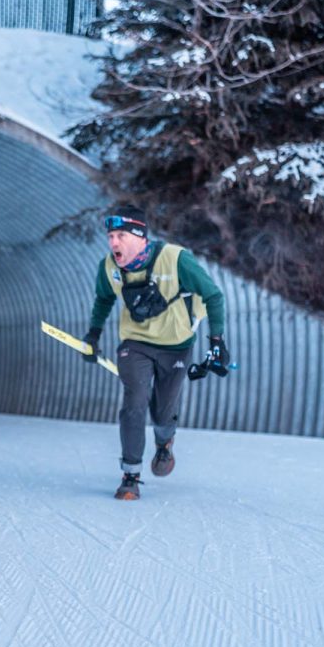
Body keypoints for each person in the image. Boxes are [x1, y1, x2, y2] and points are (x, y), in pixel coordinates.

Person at [82, 205, 229, 500]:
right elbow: (103, 300)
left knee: (162, 412)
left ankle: (164, 442)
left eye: (121, 235)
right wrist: (93, 335)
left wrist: (217, 341)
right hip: (134, 343)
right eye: (110, 236)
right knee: (134, 400)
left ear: (139, 236)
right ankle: (130, 475)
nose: (113, 243)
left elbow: (214, 295)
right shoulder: (109, 267)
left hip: (176, 345)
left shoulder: (176, 260)